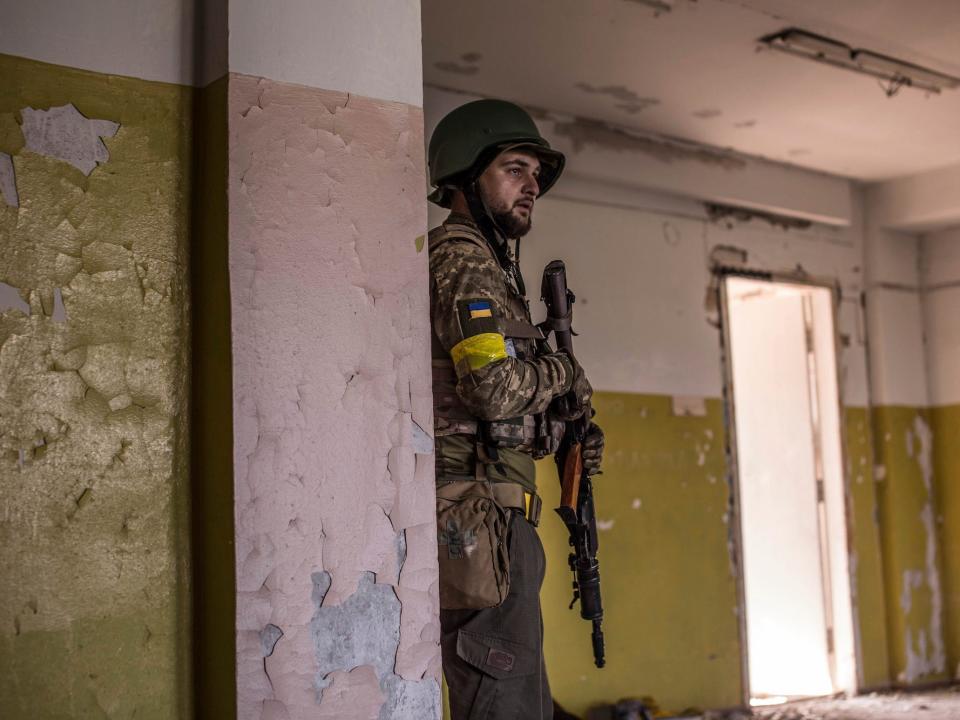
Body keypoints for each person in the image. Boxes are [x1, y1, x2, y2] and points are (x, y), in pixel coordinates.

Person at [427, 98, 604, 720]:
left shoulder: (496, 270)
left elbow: (501, 413)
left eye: (535, 174)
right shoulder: (463, 258)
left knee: (522, 700)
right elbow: (492, 390)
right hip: (477, 521)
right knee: (501, 702)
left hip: (498, 522)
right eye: (514, 168)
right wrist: (564, 372)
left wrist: (567, 425)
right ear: (465, 176)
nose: (532, 186)